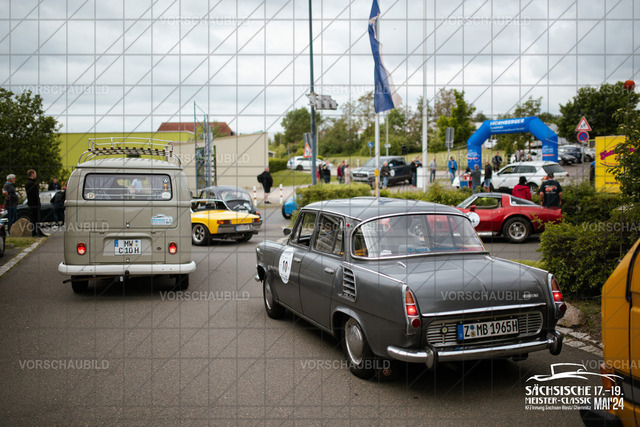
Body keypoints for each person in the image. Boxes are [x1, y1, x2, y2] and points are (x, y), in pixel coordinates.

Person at [25, 169, 47, 237]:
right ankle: (37, 232)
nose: (36, 175)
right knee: (36, 218)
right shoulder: (31, 184)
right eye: (35, 174)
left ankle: (35, 232)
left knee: (34, 218)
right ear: (32, 174)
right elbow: (34, 195)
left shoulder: (29, 183)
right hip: (34, 204)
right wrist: (37, 202)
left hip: (32, 204)